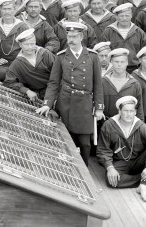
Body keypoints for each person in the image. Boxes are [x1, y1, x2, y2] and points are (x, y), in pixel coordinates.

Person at [36, 22, 105, 165]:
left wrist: (99, 108)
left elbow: (98, 83)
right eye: (69, 36)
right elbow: (54, 83)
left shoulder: (92, 56)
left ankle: (84, 169)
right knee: (67, 141)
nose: (71, 40)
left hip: (85, 104)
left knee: (85, 143)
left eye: (74, 37)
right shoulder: (61, 57)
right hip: (66, 103)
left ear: (81, 37)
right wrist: (47, 104)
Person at [97, 96, 146, 202]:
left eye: (131, 111)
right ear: (119, 111)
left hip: (139, 161)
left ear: (135, 112)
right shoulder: (109, 125)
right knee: (111, 181)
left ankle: (144, 185)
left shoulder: (140, 125)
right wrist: (110, 168)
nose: (129, 114)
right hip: (120, 162)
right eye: (125, 111)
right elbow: (102, 150)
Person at [4, 29, 56, 100]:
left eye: (32, 44)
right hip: (39, 93)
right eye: (26, 44)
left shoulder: (45, 54)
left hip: (55, 88)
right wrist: (27, 91)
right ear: (20, 45)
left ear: (35, 42)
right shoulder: (17, 63)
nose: (30, 47)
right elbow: (9, 82)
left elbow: (59, 72)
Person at [0, 0, 28, 79]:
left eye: (9, 9)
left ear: (14, 10)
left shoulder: (22, 26)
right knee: (2, 74)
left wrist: (20, 60)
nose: (7, 12)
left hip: (18, 61)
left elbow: (28, 46)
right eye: (4, 9)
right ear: (0, 10)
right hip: (1, 62)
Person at [101, 3, 146, 72]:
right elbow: (103, 51)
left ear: (131, 16)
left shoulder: (139, 32)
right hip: (114, 68)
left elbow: (145, 52)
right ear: (116, 16)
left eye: (127, 15)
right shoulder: (108, 32)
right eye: (121, 16)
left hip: (134, 68)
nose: (124, 18)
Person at [102, 48, 144, 120]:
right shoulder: (103, 82)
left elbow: (139, 109)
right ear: (111, 62)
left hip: (128, 123)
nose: (119, 65)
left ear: (127, 62)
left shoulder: (134, 84)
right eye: (116, 62)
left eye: (122, 62)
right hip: (106, 123)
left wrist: (139, 125)